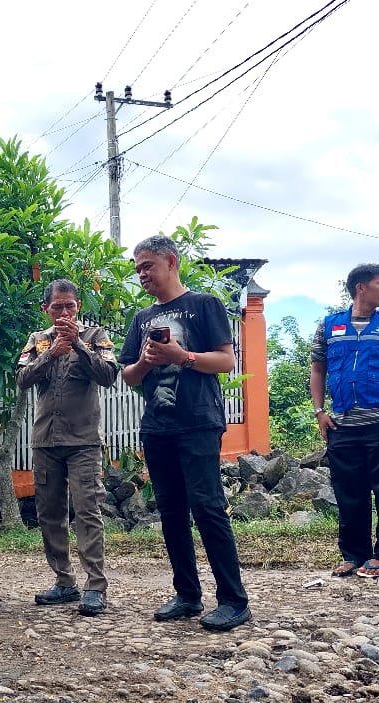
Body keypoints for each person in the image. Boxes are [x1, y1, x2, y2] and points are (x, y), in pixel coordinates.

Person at [119, 234, 252, 632]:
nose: (142, 274)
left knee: (207, 507)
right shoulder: (141, 319)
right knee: (171, 511)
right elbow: (128, 376)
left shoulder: (204, 304)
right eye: (138, 267)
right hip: (157, 426)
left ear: (171, 262)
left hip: (198, 421)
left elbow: (226, 361)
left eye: (148, 266)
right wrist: (145, 361)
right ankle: (187, 594)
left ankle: (233, 600)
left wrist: (184, 357)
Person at [309, 263, 379, 579]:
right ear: (362, 287)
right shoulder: (329, 326)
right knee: (349, 493)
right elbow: (318, 370)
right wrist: (319, 411)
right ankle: (354, 555)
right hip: (343, 426)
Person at [17, 279, 119, 615]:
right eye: (57, 306)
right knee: (49, 514)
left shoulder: (96, 337)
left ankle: (96, 587)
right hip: (45, 441)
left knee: (88, 511)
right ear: (46, 309)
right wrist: (50, 355)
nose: (64, 312)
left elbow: (108, 375)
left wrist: (77, 346)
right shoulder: (37, 341)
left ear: (78, 307)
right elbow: (22, 380)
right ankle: (64, 582)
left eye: (70, 306)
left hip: (83, 442)